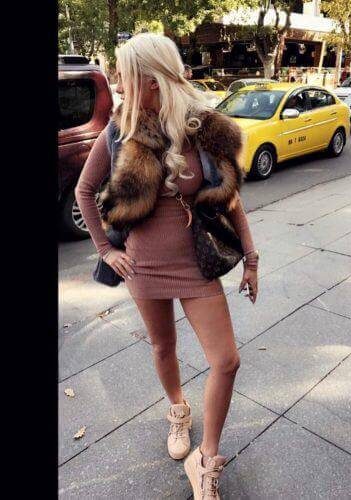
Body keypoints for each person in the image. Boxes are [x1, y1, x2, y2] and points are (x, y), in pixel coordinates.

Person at [75, 33, 259, 499]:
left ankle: (206, 458)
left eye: (124, 75)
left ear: (152, 80)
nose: (118, 83)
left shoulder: (205, 128)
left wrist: (251, 258)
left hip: (197, 264)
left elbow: (231, 199)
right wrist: (106, 250)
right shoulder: (119, 131)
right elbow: (84, 191)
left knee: (226, 361)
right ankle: (178, 410)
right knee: (163, 345)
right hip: (142, 266)